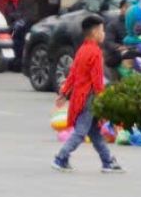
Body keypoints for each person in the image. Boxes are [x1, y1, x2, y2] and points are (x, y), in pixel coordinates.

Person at [52, 15, 124, 174]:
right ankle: (61, 158)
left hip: (79, 97)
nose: (104, 34)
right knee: (80, 132)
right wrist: (103, 98)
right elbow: (97, 80)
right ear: (96, 32)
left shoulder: (82, 50)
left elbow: (72, 75)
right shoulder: (95, 52)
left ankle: (107, 161)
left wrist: (64, 93)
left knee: (95, 132)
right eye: (103, 30)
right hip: (90, 98)